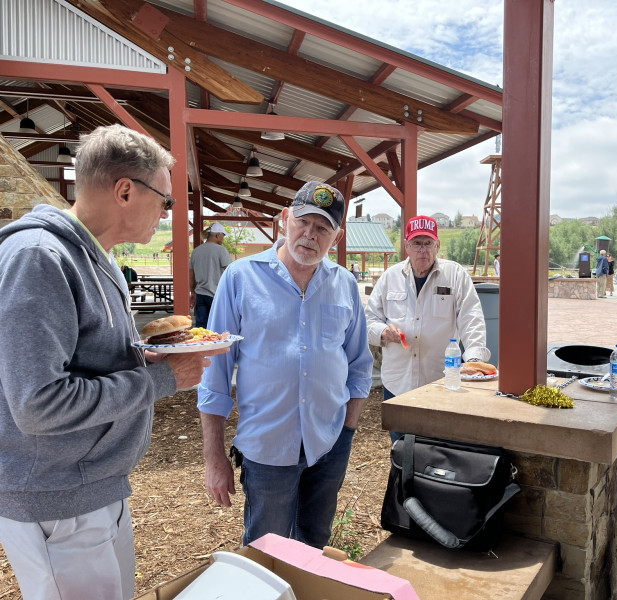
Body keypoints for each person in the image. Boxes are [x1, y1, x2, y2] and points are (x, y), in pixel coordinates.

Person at [0, 124, 226, 600]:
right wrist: (163, 379)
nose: (167, 214)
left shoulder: (93, 259)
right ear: (125, 191)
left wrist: (145, 356)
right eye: (165, 200)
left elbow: (86, 360)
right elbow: (39, 404)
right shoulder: (39, 259)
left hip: (89, 484)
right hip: (57, 497)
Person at [198, 181, 372, 549]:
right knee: (267, 551)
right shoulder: (241, 278)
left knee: (314, 545)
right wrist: (213, 457)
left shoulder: (344, 284)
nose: (310, 235)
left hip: (329, 443)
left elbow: (359, 365)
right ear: (285, 218)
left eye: (322, 227)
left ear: (337, 237)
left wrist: (347, 433)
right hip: (268, 448)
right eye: (303, 222)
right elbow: (214, 373)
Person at [365, 215, 490, 442]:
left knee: (438, 448)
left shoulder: (456, 276)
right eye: (416, 243)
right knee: (400, 448)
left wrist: (474, 360)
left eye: (428, 243)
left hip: (440, 381)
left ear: (437, 246)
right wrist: (382, 332)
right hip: (397, 384)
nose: (422, 250)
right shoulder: (390, 278)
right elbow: (369, 319)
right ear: (406, 246)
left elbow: (472, 319)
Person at [190, 222, 232, 328]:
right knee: (219, 326)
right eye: (223, 235)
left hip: (200, 294)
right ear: (218, 235)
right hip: (216, 295)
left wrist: (193, 292)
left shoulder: (196, 251)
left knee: (201, 327)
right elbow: (229, 272)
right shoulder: (221, 250)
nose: (223, 238)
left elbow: (191, 274)